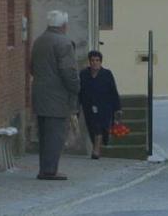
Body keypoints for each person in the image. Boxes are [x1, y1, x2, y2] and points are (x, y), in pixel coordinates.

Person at [30, 10, 80, 180]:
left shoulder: (38, 41)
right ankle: (51, 170)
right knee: (55, 135)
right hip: (57, 98)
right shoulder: (64, 43)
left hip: (39, 95)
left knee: (44, 135)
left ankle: (44, 168)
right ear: (64, 26)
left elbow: (31, 67)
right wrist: (76, 87)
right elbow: (68, 71)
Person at [79, 50, 122, 158]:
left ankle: (96, 150)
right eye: (92, 60)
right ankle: (96, 148)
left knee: (101, 128)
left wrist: (118, 108)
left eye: (97, 60)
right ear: (89, 61)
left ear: (100, 62)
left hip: (105, 106)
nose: (95, 62)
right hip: (89, 106)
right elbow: (79, 91)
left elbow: (113, 91)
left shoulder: (107, 74)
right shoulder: (83, 74)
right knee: (93, 128)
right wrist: (76, 106)